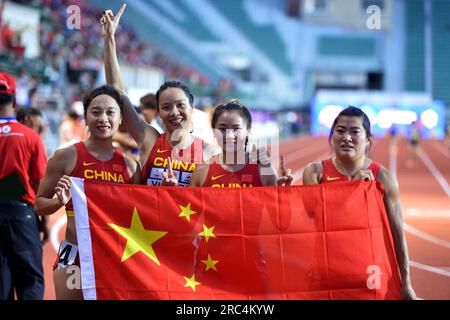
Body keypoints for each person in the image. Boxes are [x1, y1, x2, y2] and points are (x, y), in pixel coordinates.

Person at [35, 85, 141, 300]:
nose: (103, 118)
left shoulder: (130, 166)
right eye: (96, 112)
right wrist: (58, 201)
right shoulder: (64, 157)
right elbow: (39, 204)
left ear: (120, 119)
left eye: (110, 112)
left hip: (114, 256)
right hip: (74, 255)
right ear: (85, 118)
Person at [302, 106, 416, 300]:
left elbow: (397, 233)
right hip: (326, 272)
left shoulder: (383, 177)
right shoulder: (315, 173)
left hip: (368, 274)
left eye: (354, 132)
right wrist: (353, 190)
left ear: (368, 141)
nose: (346, 138)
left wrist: (406, 282)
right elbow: (314, 218)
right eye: (340, 131)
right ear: (331, 137)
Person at [101, 5, 215, 187]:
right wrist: (109, 39)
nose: (174, 112)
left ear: (192, 109)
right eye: (166, 107)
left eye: (181, 105)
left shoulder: (208, 152)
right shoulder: (149, 140)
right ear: (158, 113)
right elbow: (118, 95)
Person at [162, 100, 292, 187]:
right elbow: (190, 220)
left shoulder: (264, 171)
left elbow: (276, 218)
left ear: (248, 131)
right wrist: (170, 191)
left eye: (236, 129)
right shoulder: (201, 172)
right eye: (222, 129)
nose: (229, 135)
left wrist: (285, 192)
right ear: (213, 131)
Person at [0, 72, 47, 300]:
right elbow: (40, 183)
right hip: (22, 215)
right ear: (15, 101)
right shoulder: (30, 136)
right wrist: (44, 220)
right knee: (30, 281)